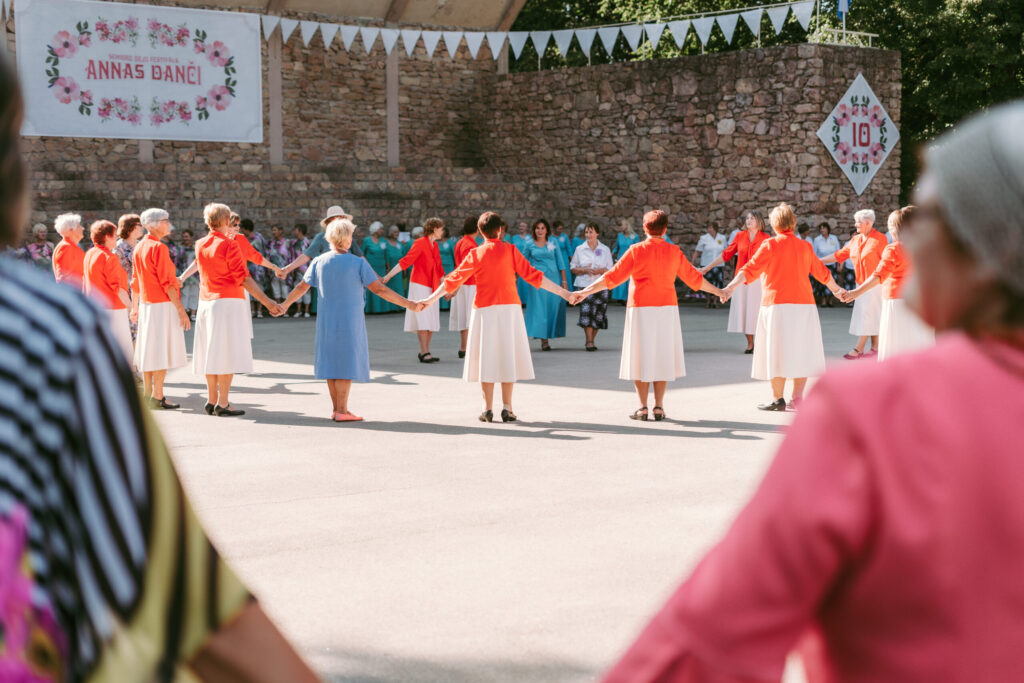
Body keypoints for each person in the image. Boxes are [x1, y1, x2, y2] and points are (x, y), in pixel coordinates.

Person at [602, 101, 1024, 683]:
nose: (910, 242)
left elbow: (712, 641)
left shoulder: (876, 413)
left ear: (985, 255)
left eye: (932, 219)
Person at [0, 55, 321, 683]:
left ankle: (201, 394)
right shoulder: (45, 331)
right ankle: (214, 396)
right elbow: (172, 583)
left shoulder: (135, 254)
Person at [570, 210, 726, 421]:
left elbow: (611, 278)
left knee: (640, 357)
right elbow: (694, 280)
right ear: (665, 229)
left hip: (640, 308)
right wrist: (720, 292)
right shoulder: (673, 251)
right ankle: (659, 406)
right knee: (661, 356)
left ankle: (642, 407)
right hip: (666, 308)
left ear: (644, 228)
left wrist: (584, 291)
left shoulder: (636, 250)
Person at [417, 212, 570, 422]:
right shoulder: (511, 250)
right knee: (508, 357)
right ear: (500, 230)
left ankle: (487, 408)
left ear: (480, 232)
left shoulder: (476, 253)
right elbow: (535, 276)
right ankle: (507, 407)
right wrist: (565, 293)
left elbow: (453, 280)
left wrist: (430, 300)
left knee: (486, 359)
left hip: (484, 310)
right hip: (509, 309)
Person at [279, 218, 422, 422]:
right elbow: (379, 289)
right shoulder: (358, 263)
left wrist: (285, 304)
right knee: (345, 362)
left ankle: (337, 409)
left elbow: (302, 287)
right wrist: (409, 304)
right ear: (347, 239)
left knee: (330, 362)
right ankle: (343, 410)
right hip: (350, 320)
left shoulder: (319, 261)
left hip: (327, 320)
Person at [722, 203, 846, 411]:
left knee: (775, 351)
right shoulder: (805, 246)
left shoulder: (769, 245)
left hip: (776, 306)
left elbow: (749, 270)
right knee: (802, 350)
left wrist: (730, 287)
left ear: (774, 224)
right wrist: (837, 291)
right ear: (793, 222)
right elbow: (823, 273)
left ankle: (777, 399)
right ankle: (797, 399)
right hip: (803, 306)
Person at [192, 203, 282, 417]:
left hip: (206, 302)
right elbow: (244, 278)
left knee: (211, 353)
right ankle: (223, 402)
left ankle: (212, 398)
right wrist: (269, 302)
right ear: (226, 221)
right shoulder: (229, 244)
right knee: (226, 354)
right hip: (227, 302)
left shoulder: (200, 243)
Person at [842, 207, 935, 360]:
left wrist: (855, 293)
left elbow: (879, 275)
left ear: (895, 228)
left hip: (896, 303)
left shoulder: (893, 249)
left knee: (896, 348)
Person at [131, 208, 190, 409]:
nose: (169, 224)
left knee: (150, 351)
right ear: (154, 224)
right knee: (161, 352)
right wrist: (181, 311)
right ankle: (157, 395)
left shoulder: (139, 247)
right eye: (166, 220)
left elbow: (135, 282)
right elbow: (167, 283)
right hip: (162, 304)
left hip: (147, 304)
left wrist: (135, 305)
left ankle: (149, 394)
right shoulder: (159, 248)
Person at [820, 209, 888, 359]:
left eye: (858, 222)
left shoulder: (880, 239)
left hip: (875, 284)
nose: (855, 224)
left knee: (868, 316)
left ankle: (859, 348)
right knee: (871, 315)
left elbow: (885, 262)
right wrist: (819, 261)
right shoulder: (855, 240)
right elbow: (838, 256)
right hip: (860, 284)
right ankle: (875, 347)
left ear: (868, 223)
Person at [700, 211, 769, 353]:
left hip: (759, 279)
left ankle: (762, 343)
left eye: (752, 218)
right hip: (741, 279)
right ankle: (751, 344)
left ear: (759, 221)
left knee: (759, 311)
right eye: (747, 218)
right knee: (744, 311)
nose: (749, 220)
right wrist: (706, 268)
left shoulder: (766, 238)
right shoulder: (740, 236)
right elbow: (726, 254)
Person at [382, 217, 445, 363]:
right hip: (420, 285)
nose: (442, 231)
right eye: (441, 228)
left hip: (433, 286)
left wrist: (445, 289)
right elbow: (405, 262)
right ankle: (424, 352)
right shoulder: (420, 243)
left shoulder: (435, 245)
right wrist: (388, 276)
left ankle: (426, 351)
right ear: (434, 229)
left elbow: (439, 269)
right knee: (423, 318)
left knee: (431, 320)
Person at [82, 219, 134, 364]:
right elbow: (118, 288)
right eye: (114, 235)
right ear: (106, 237)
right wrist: (131, 308)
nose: (117, 238)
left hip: (95, 307)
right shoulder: (109, 258)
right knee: (120, 348)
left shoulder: (90, 253)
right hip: (113, 308)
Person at [277, 205, 362, 284]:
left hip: (348, 280)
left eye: (341, 218)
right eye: (335, 218)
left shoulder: (349, 238)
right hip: (328, 280)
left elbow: (361, 259)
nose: (338, 221)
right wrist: (287, 269)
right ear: (329, 221)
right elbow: (306, 255)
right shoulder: (321, 237)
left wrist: (374, 277)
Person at [524, 219, 569, 351]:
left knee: (552, 307)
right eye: (537, 228)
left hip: (554, 279)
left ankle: (549, 334)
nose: (540, 230)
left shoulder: (553, 242)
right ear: (534, 230)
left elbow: (560, 262)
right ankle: (544, 341)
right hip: (537, 281)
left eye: (542, 228)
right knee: (540, 309)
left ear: (547, 230)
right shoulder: (529, 244)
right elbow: (523, 262)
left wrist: (564, 281)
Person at [570, 221, 614, 351]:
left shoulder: (605, 249)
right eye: (586, 232)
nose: (588, 234)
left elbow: (611, 269)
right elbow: (572, 268)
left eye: (591, 232)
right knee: (586, 313)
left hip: (601, 285)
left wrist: (600, 271)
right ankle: (589, 341)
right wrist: (584, 270)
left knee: (599, 315)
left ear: (597, 233)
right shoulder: (579, 249)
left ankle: (592, 339)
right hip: (584, 285)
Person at [449, 215, 480, 358]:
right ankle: (466, 347)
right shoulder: (471, 245)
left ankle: (464, 346)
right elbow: (469, 268)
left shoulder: (460, 242)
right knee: (470, 317)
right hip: (470, 284)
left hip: (461, 283)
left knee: (464, 317)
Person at [693, 224, 727, 308]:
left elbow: (726, 251)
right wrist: (693, 261)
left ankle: (715, 302)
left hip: (719, 264)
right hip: (706, 264)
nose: (709, 229)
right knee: (707, 282)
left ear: (715, 228)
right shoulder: (704, 238)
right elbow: (698, 251)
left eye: (710, 227)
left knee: (717, 283)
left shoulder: (722, 238)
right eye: (708, 227)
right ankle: (708, 301)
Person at [361, 221, 391, 314]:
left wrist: (388, 266)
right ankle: (370, 309)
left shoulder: (384, 241)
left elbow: (386, 255)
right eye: (380, 229)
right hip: (371, 268)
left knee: (381, 287)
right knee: (371, 287)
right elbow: (362, 254)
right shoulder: (367, 240)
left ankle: (382, 309)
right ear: (375, 230)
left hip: (381, 268)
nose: (382, 231)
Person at [52, 213, 86, 289]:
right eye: (79, 226)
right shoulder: (65, 247)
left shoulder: (71, 246)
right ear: (71, 230)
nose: (82, 228)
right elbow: (63, 278)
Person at [610, 219, 641, 303]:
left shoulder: (635, 236)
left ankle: (628, 298)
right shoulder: (620, 236)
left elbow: (637, 249)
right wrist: (610, 255)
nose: (621, 227)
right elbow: (616, 247)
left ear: (627, 226)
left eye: (622, 225)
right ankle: (620, 298)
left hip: (630, 260)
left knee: (629, 279)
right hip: (620, 259)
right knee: (621, 278)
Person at [812, 221, 841, 307]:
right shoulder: (817, 240)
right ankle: (823, 301)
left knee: (832, 282)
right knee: (822, 283)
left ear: (828, 229)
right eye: (820, 228)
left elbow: (838, 252)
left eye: (824, 228)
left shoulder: (834, 238)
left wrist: (839, 264)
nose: (822, 230)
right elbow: (815, 253)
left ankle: (830, 301)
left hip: (832, 264)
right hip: (821, 265)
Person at [266, 223, 294, 308]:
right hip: (274, 270)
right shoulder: (271, 242)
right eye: (272, 230)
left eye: (275, 230)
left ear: (280, 231)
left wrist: (292, 269)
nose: (273, 232)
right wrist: (268, 268)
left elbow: (291, 255)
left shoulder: (287, 242)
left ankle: (285, 308)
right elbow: (268, 255)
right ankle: (278, 307)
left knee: (285, 288)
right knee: (276, 289)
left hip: (285, 269)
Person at [175, 227, 200, 320]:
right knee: (184, 294)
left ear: (191, 237)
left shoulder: (196, 248)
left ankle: (193, 313)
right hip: (184, 274)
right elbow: (177, 261)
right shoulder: (180, 248)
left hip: (195, 276)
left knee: (194, 293)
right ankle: (185, 312)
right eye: (184, 237)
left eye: (187, 236)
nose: (185, 238)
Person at [291, 223, 313, 316]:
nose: (294, 232)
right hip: (297, 269)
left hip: (307, 269)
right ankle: (299, 310)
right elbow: (292, 256)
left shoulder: (307, 242)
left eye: (295, 229)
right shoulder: (295, 243)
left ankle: (307, 310)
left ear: (299, 230)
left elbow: (311, 256)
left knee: (306, 290)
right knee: (297, 288)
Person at [384, 224, 407, 309]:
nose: (396, 233)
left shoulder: (400, 244)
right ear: (390, 233)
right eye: (394, 232)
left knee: (399, 287)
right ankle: (390, 307)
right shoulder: (385, 243)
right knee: (390, 288)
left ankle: (399, 307)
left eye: (397, 232)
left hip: (398, 269)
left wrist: (404, 271)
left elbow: (404, 257)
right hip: (389, 269)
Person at [512, 220, 533, 305]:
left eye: (523, 226)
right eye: (520, 226)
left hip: (526, 261)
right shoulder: (514, 238)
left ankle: (527, 301)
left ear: (527, 228)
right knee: (518, 281)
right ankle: (518, 300)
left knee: (526, 282)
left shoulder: (530, 238)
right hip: (516, 261)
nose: (521, 228)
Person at [438, 225, 457, 312]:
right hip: (439, 267)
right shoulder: (436, 242)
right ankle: (441, 305)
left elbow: (454, 254)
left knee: (448, 284)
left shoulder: (450, 242)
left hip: (449, 266)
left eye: (442, 231)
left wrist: (455, 266)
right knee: (440, 285)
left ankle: (449, 304)